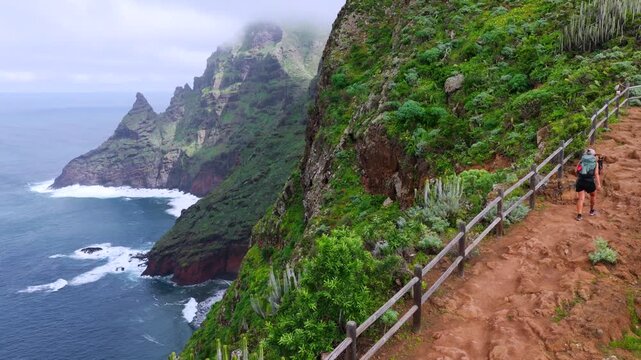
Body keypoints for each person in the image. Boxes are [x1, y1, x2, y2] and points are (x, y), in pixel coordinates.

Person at [575, 148, 601, 221]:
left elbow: (576, 170)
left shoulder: (581, 161)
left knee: (581, 199)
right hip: (589, 182)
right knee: (593, 195)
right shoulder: (595, 163)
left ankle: (579, 215)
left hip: (580, 181)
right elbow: (596, 174)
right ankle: (591, 211)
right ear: (593, 155)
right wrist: (598, 184)